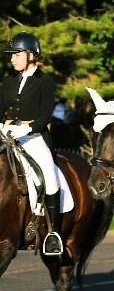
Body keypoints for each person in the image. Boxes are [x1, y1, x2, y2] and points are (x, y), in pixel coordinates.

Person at [0, 32, 63, 255]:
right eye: (12, 55)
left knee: (50, 178)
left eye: (17, 54)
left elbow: (46, 115)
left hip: (33, 136)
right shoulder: (9, 81)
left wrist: (26, 128)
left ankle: (54, 233)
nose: (12, 59)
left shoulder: (44, 81)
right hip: (7, 134)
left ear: (31, 54)